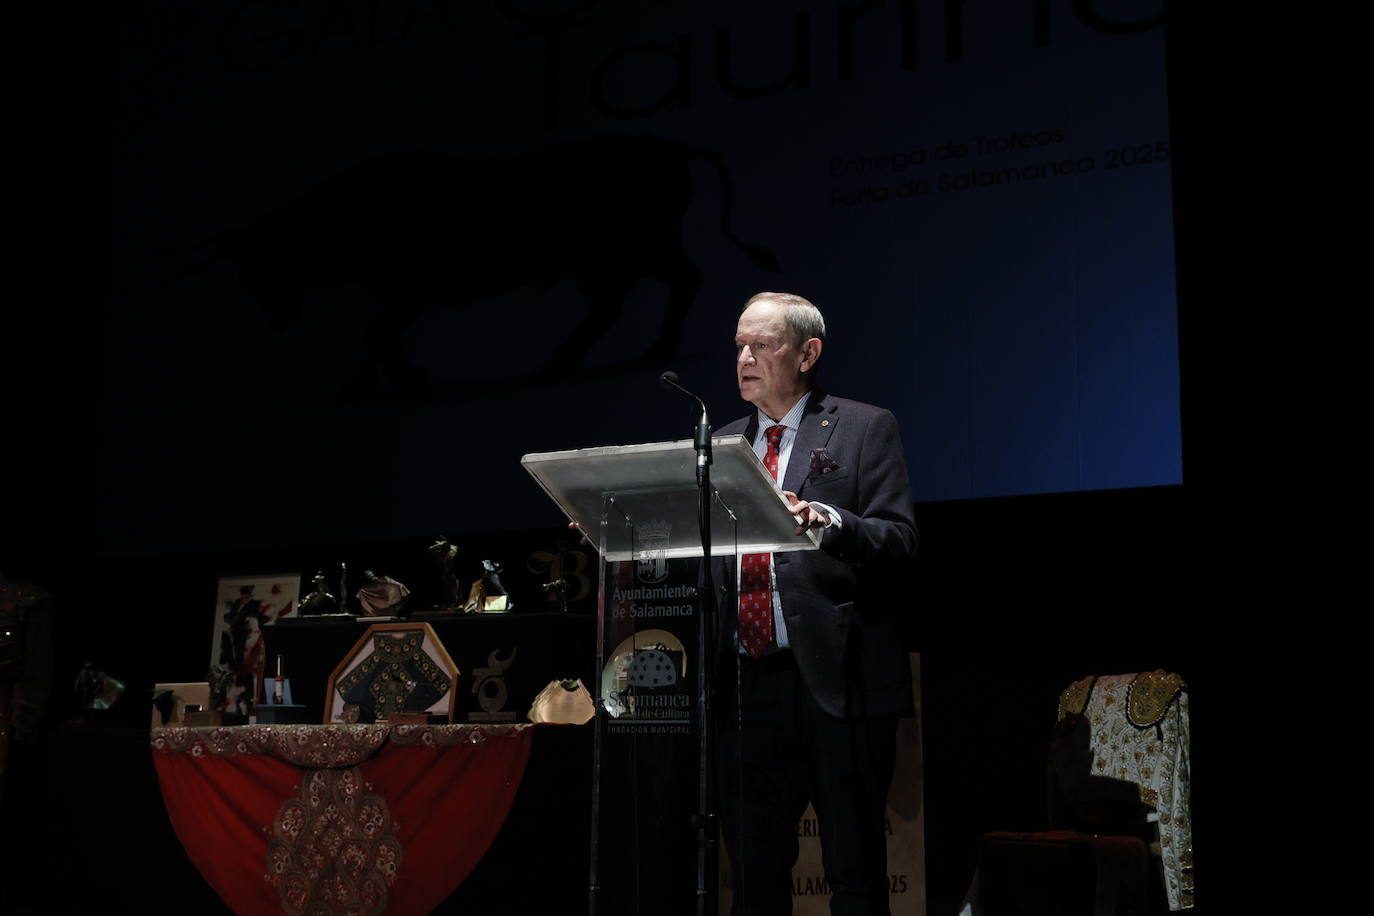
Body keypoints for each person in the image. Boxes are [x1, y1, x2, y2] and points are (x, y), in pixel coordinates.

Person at [715, 292, 918, 916]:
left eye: (762, 345)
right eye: (740, 346)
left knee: (854, 874)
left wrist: (828, 520)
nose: (745, 358)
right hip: (747, 687)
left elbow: (898, 539)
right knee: (753, 878)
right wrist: (632, 534)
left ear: (807, 354)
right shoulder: (721, 444)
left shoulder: (863, 426)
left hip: (838, 681)